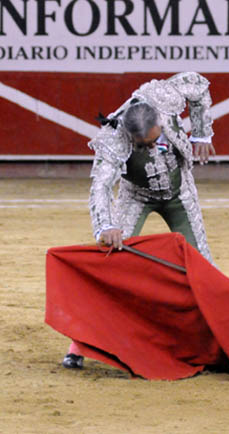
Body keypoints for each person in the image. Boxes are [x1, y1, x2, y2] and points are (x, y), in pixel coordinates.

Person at [62, 71, 216, 369]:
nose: (148, 147)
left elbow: (198, 85)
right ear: (130, 138)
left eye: (153, 140)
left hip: (179, 192)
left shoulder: (165, 98)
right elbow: (101, 186)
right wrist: (105, 226)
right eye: (141, 145)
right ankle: (78, 344)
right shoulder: (112, 139)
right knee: (109, 266)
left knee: (202, 267)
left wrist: (201, 133)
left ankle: (215, 338)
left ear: (161, 122)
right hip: (135, 196)